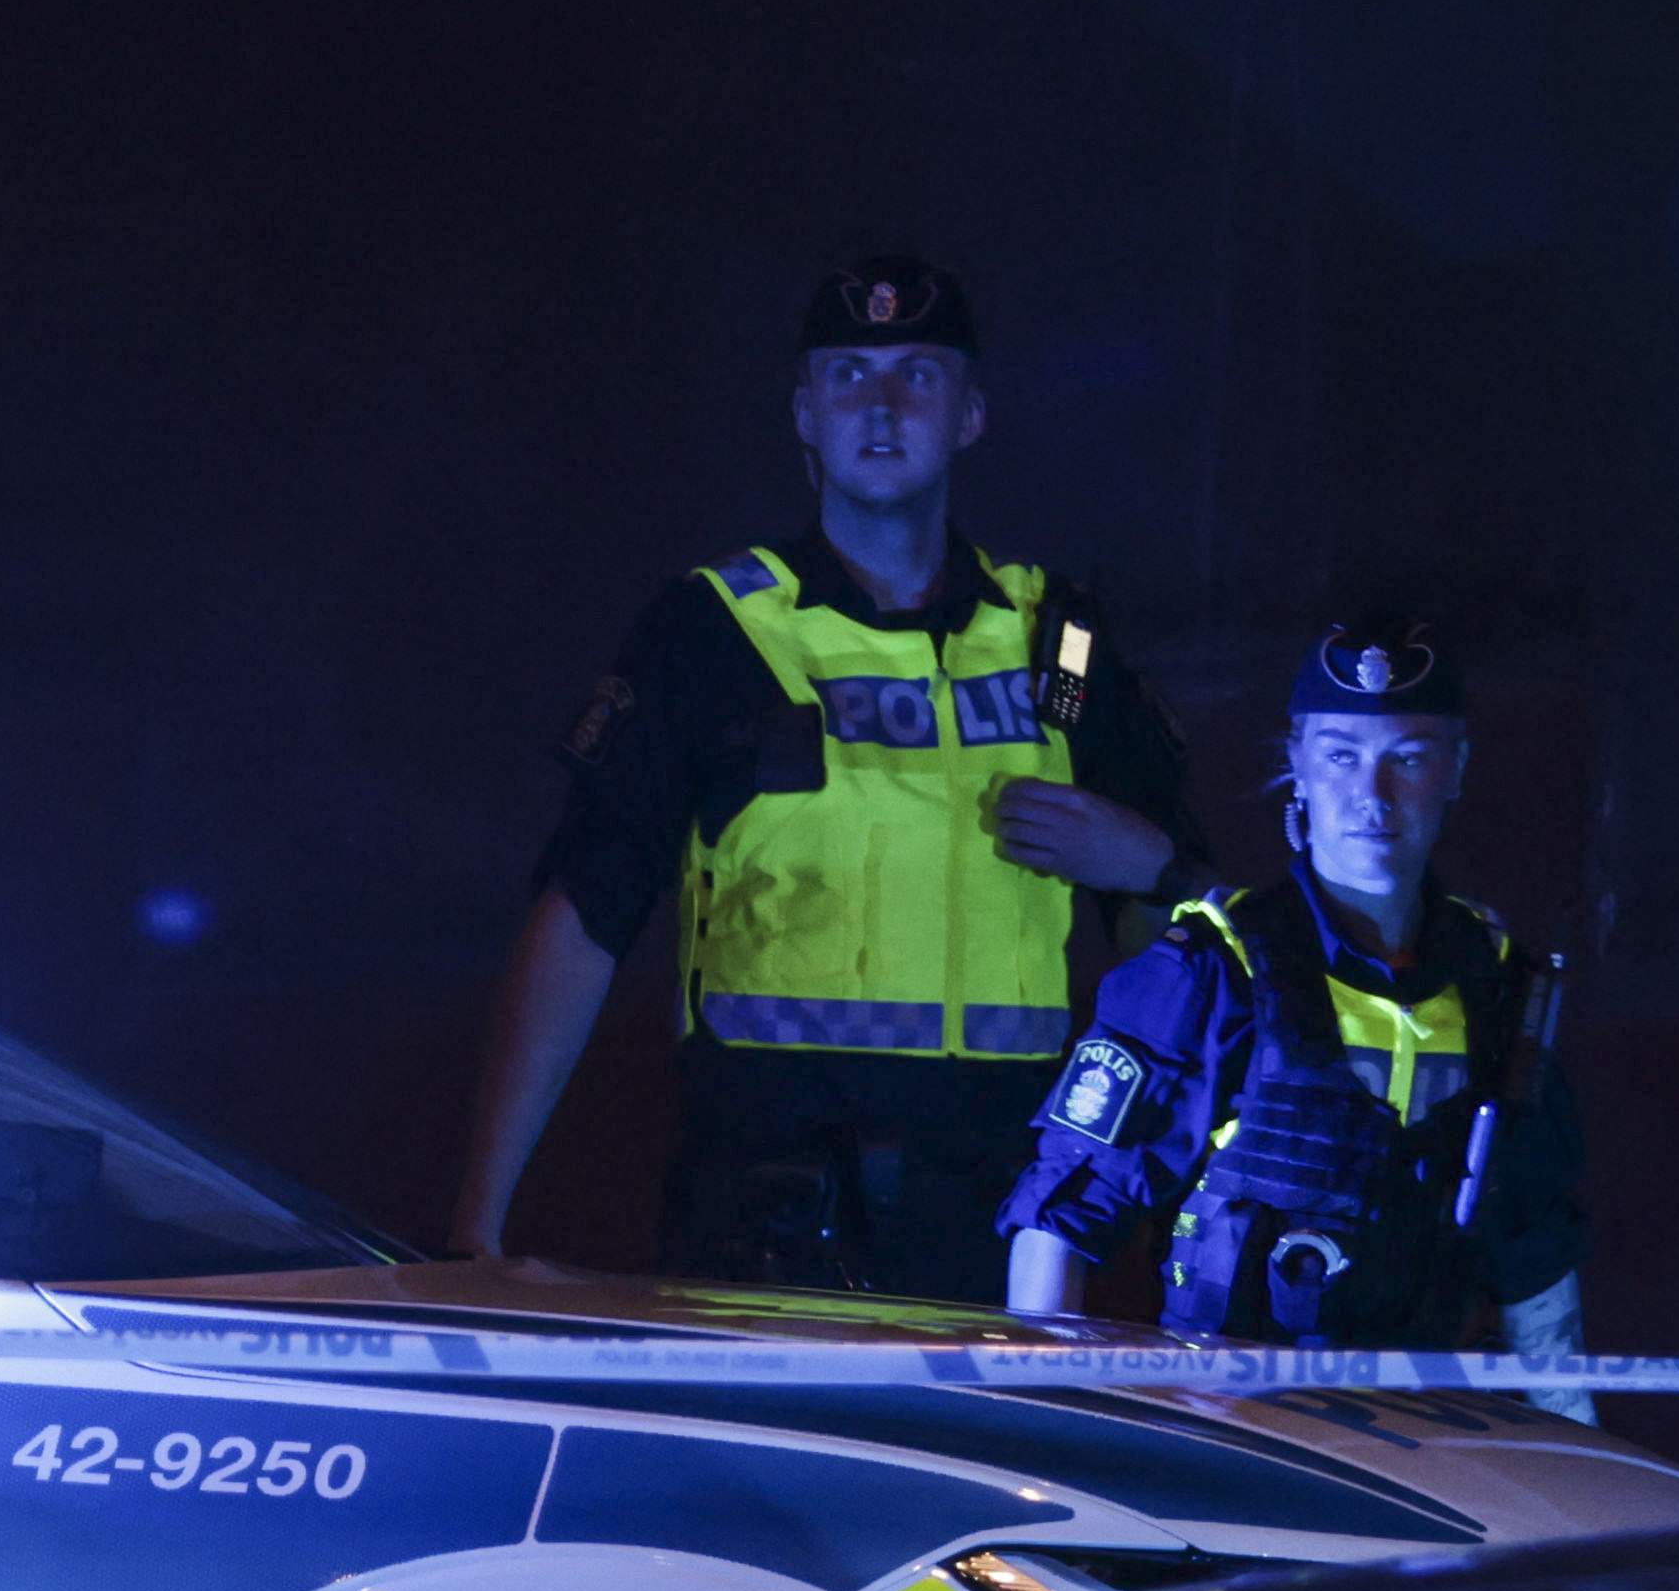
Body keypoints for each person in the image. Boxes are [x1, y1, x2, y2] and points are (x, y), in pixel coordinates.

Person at [457, 255, 1191, 1298]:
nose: (882, 406)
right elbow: (586, 907)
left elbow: (1182, 937)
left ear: (971, 415)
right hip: (765, 1216)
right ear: (804, 414)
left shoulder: (1056, 642)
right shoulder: (715, 630)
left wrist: (1149, 864)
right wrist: (477, 1219)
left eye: (917, 374)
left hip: (1003, 1229)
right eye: (848, 374)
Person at [996, 624, 1587, 1385]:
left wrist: (1566, 1428)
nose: (1373, 795)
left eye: (1408, 758)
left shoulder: (1498, 982)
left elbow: (1536, 1250)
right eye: (1341, 756)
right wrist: (1040, 1409)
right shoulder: (1212, 968)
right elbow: (1062, 1210)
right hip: (1233, 1414)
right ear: (1296, 764)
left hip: (1424, 1413)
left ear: (1456, 768)